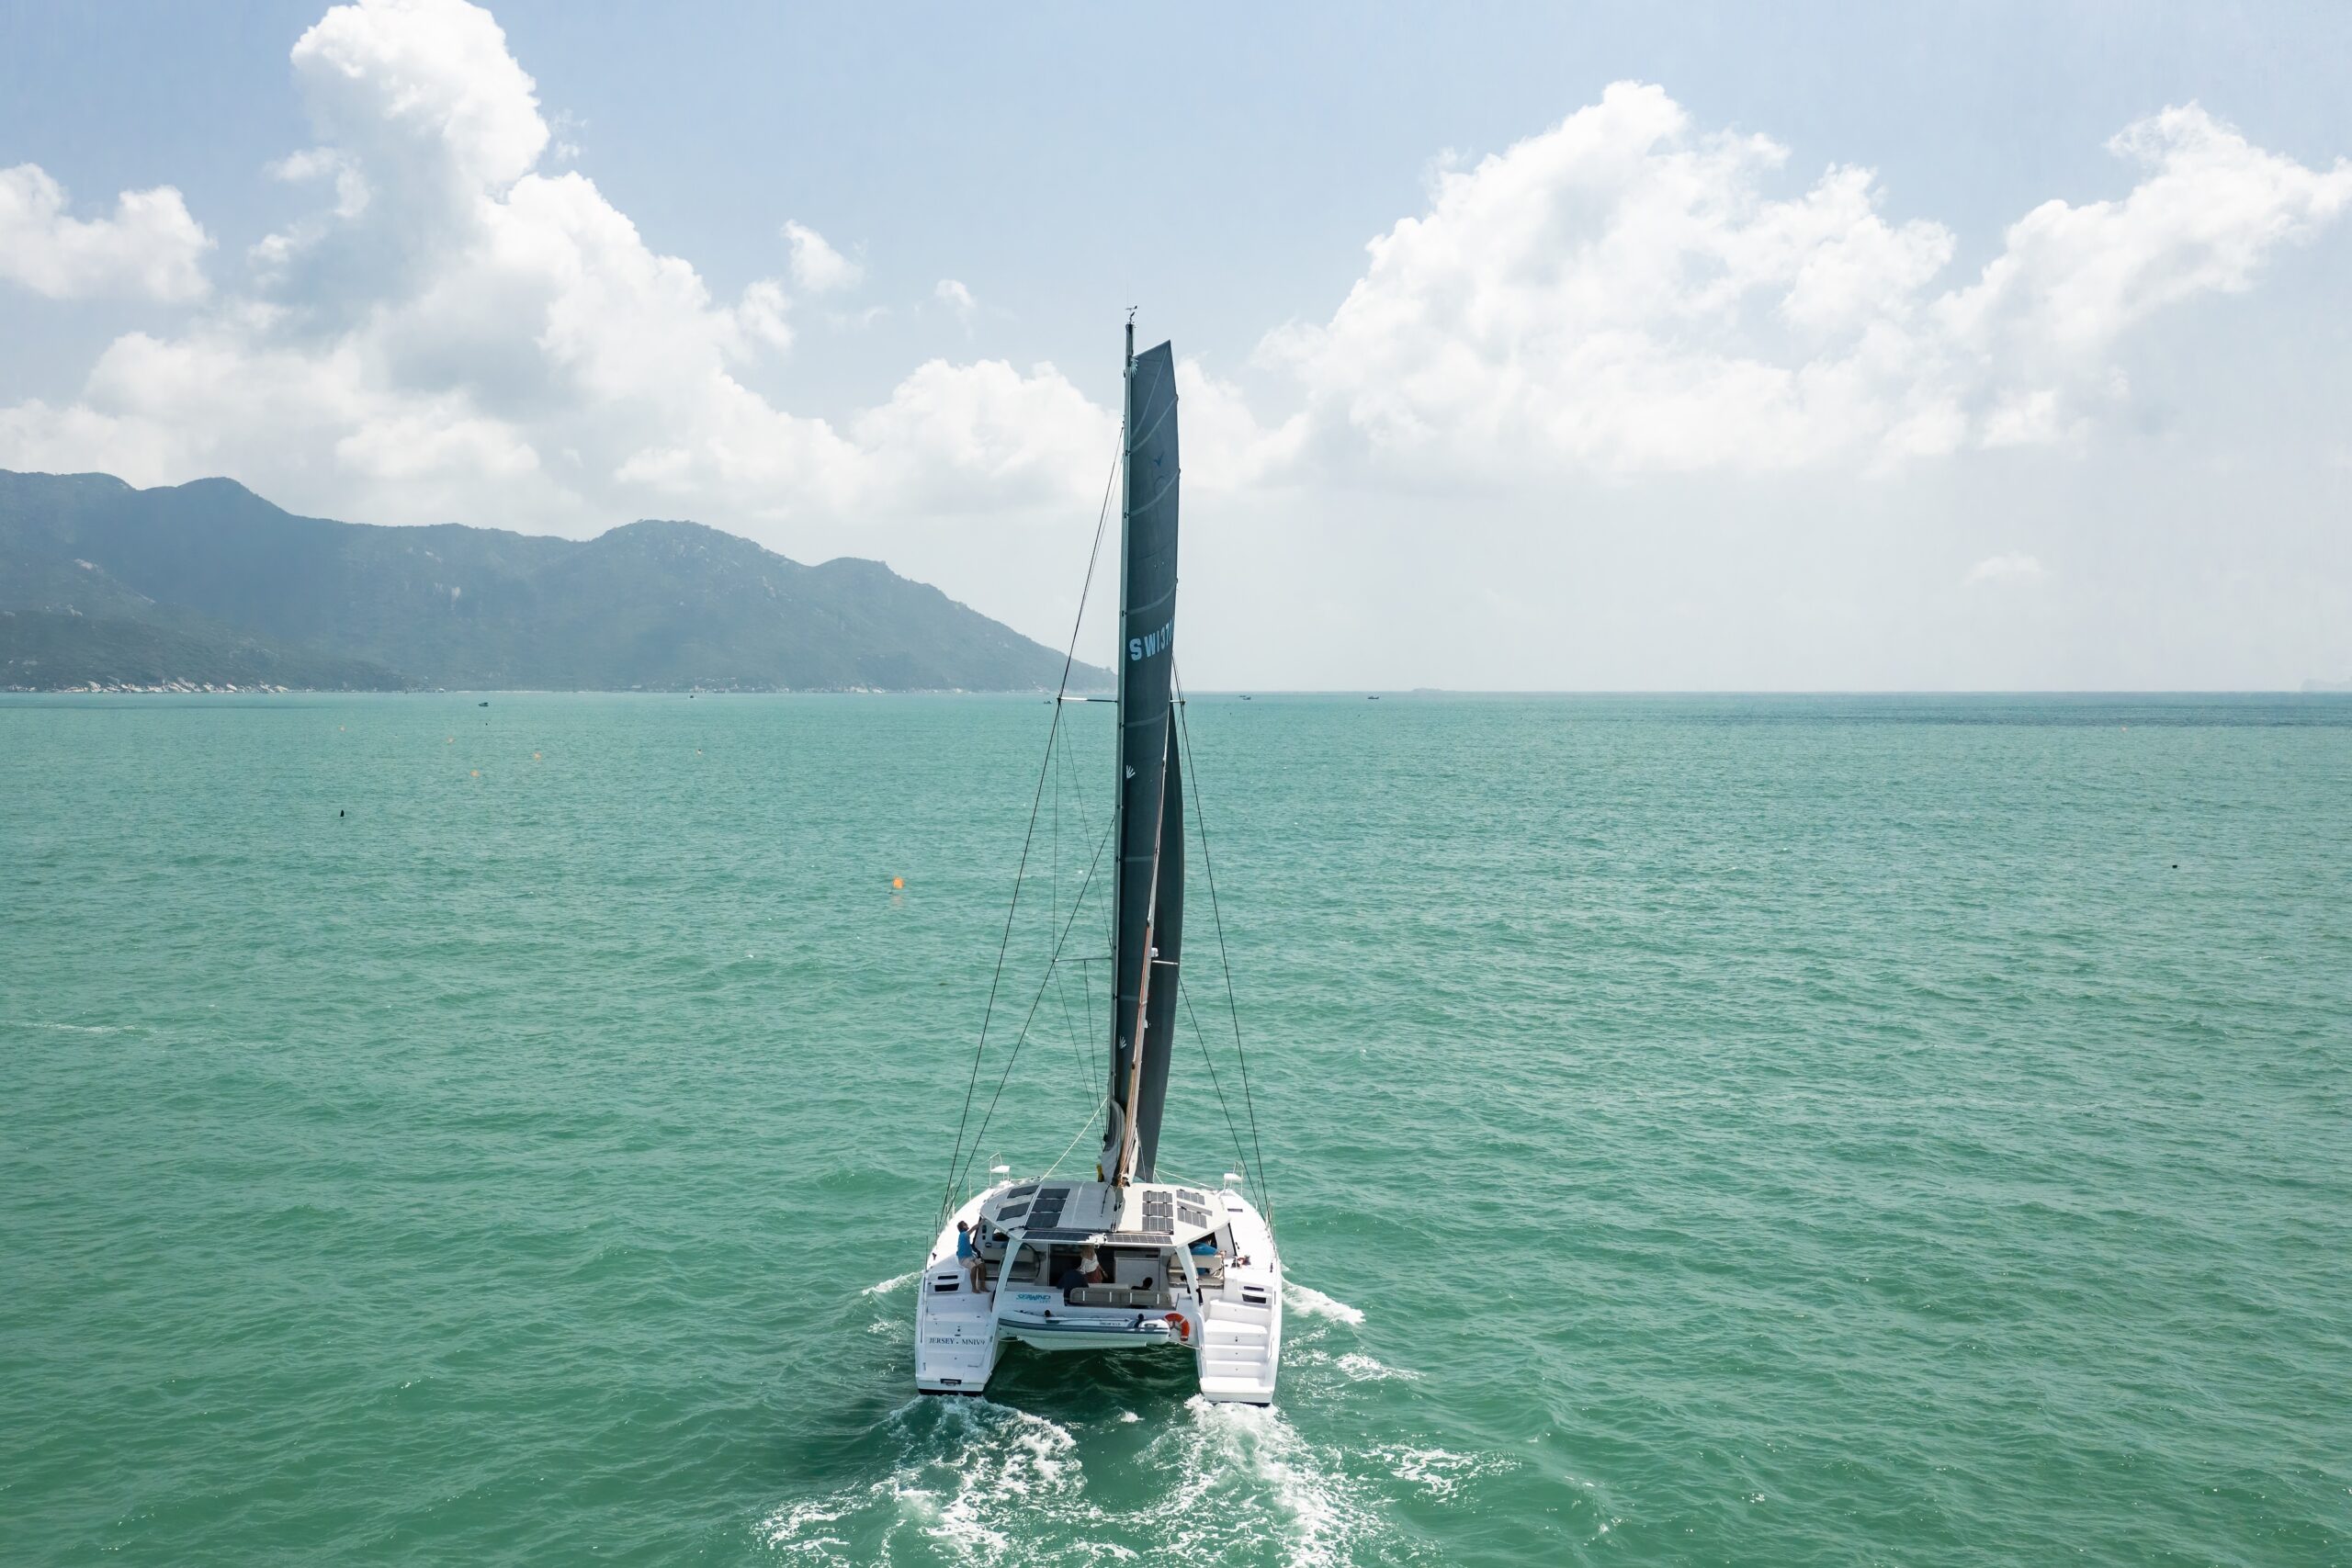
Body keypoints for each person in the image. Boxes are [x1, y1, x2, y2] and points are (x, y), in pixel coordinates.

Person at [956, 1221, 986, 1293]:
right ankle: (974, 1288)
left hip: (970, 1256)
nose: (967, 1225)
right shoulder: (963, 1234)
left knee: (982, 1265)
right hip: (963, 1258)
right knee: (974, 1268)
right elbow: (973, 1229)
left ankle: (982, 1286)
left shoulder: (964, 1235)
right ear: (963, 1227)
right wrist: (981, 1222)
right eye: (965, 1224)